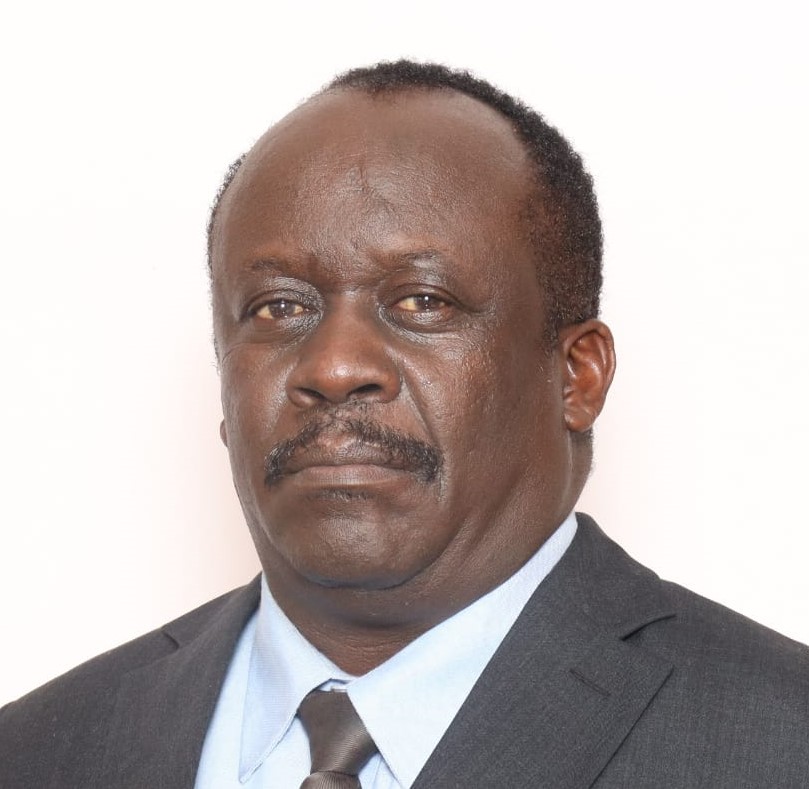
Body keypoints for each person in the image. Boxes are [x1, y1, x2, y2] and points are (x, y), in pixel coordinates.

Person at [1, 60, 807, 788]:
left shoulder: (780, 741)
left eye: (423, 300)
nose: (332, 366)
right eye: (278, 307)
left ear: (576, 375)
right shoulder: (39, 750)